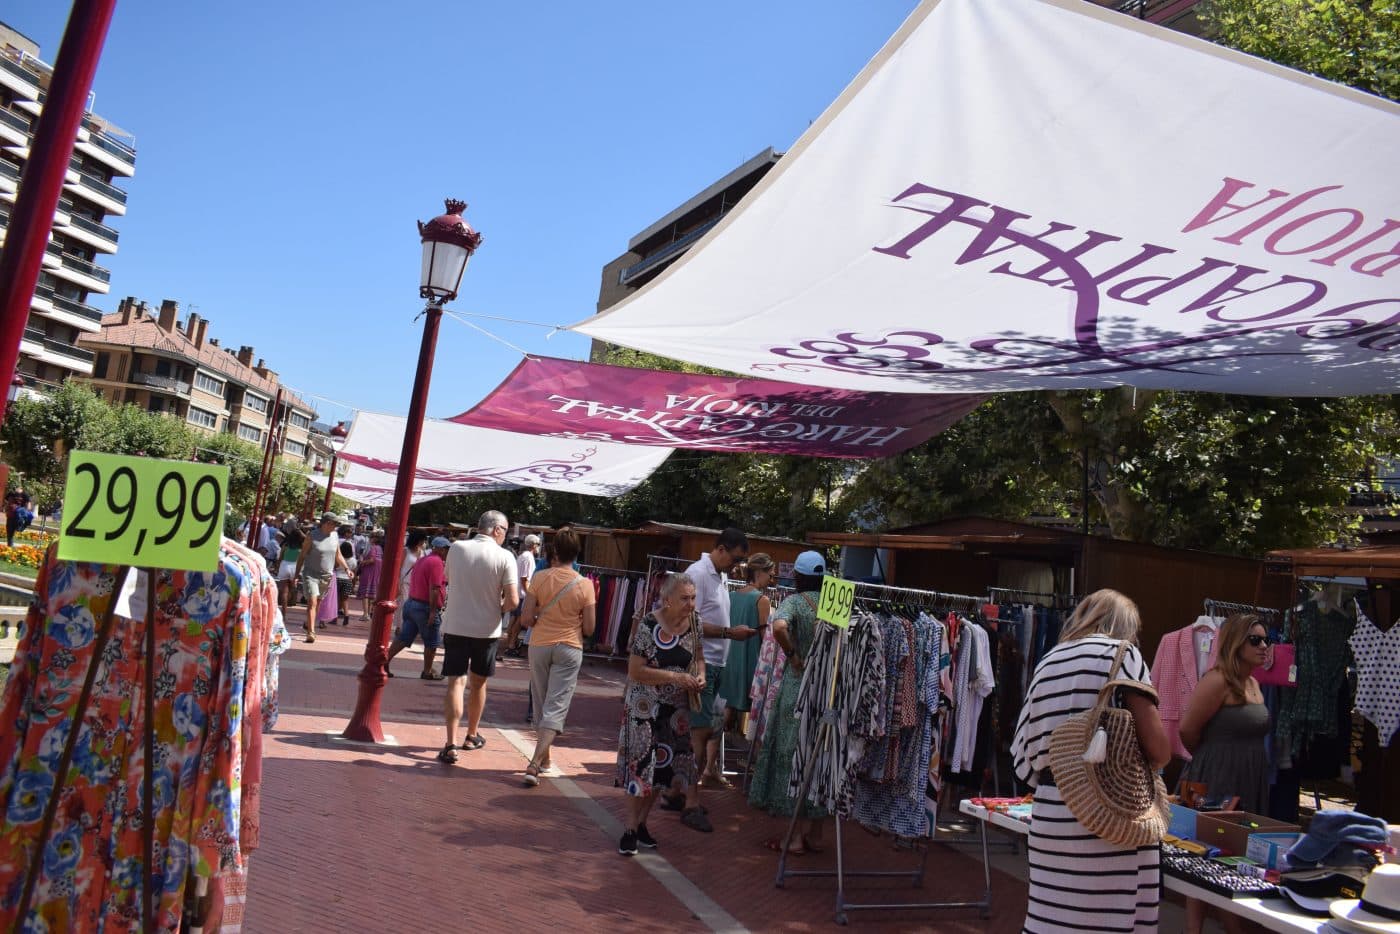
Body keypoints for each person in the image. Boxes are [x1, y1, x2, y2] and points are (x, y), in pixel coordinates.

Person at [1010, 589, 1171, 934]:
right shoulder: (1123, 656)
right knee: (1106, 921)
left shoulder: (1049, 661)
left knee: (1051, 919)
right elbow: (1159, 749)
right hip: (1110, 811)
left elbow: (1023, 758)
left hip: (1052, 813)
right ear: (1126, 626)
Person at [1178, 613, 1272, 934]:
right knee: (1207, 855)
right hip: (1216, 777)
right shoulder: (1217, 680)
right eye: (1255, 640)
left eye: (1266, 639)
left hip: (1248, 778)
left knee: (1236, 856)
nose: (1264, 646)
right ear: (1236, 643)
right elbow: (1188, 730)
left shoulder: (1255, 684)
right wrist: (1213, 758)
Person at [617, 572, 704, 855]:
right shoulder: (649, 624)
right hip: (645, 707)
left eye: (693, 598)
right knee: (639, 766)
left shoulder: (694, 622)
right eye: (684, 599)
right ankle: (630, 827)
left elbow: (699, 658)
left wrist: (700, 676)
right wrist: (674, 677)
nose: (691, 604)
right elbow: (635, 670)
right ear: (667, 601)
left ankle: (642, 824)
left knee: (662, 770)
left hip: (675, 710)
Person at [748, 551, 826, 853]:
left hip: (798, 688)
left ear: (797, 576)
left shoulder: (794, 603)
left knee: (790, 758)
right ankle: (812, 832)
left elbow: (778, 627)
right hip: (826, 691)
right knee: (815, 760)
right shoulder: (836, 603)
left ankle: (792, 837)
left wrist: (793, 655)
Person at [676, 527, 752, 824]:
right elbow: (686, 620)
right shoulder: (697, 573)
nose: (735, 566)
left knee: (702, 729)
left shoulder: (719, 575)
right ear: (720, 549)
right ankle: (690, 800)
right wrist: (728, 633)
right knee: (700, 731)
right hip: (700, 662)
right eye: (734, 559)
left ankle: (677, 792)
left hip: (715, 661)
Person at [436, 511, 519, 765]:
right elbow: (513, 600)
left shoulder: (457, 548)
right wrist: (497, 608)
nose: (505, 535)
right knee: (478, 684)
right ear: (496, 530)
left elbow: (449, 579)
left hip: (456, 626)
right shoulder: (505, 557)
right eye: (505, 530)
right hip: (487, 630)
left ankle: (450, 743)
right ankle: (471, 735)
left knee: (455, 683)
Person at [518, 528, 596, 787]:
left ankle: (543, 758)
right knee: (557, 704)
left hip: (540, 644)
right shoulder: (585, 585)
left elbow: (526, 619)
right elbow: (589, 629)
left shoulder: (539, 578)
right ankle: (535, 762)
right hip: (570, 646)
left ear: (554, 551)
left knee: (541, 702)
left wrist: (542, 613)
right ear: (576, 553)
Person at [715, 553, 774, 767]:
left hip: (731, 659)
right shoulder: (762, 600)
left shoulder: (732, 595)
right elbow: (765, 639)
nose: (772, 578)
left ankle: (711, 762)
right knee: (760, 712)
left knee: (724, 711)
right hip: (751, 660)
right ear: (759, 573)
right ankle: (754, 760)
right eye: (770, 573)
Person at [387, 536, 449, 680]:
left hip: (412, 603)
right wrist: (433, 611)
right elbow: (434, 588)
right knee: (432, 642)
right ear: (439, 549)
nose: (447, 551)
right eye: (446, 549)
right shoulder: (436, 562)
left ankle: (385, 661)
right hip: (425, 606)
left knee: (404, 637)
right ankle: (427, 671)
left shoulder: (423, 559)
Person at [294, 513, 350, 643]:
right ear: (327, 523)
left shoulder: (335, 536)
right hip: (310, 574)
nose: (336, 527)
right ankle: (311, 632)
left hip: (326, 575)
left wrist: (347, 569)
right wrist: (296, 575)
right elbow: (302, 556)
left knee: (318, 602)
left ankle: (308, 623)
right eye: (335, 524)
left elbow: (338, 555)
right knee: (312, 602)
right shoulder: (312, 536)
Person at [504, 534, 541, 658]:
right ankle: (511, 645)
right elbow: (525, 578)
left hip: (519, 592)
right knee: (518, 621)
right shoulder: (527, 557)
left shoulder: (523, 556)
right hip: (522, 594)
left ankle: (510, 643)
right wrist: (531, 595)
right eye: (538, 545)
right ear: (534, 545)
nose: (539, 548)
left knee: (514, 620)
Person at [393, 531, 429, 634]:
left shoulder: (423, 553)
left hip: (417, 583)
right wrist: (397, 584)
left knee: (412, 606)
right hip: (404, 582)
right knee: (404, 604)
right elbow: (398, 568)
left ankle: (407, 627)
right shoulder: (405, 551)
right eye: (421, 540)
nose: (422, 542)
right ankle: (400, 627)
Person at [275, 519, 305, 612]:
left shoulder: (286, 546)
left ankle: (283, 612)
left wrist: (277, 568)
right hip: (295, 567)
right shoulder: (302, 547)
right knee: (292, 589)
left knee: (284, 591)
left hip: (284, 566)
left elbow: (279, 559)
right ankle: (290, 602)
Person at [356, 531, 384, 622]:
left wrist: (361, 562)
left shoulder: (373, 548)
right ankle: (369, 613)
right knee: (372, 594)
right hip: (376, 573)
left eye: (371, 537)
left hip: (368, 572)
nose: (369, 539)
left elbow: (372, 560)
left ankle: (365, 614)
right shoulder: (380, 548)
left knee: (365, 594)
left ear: (373, 539)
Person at [333, 537, 357, 625]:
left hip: (338, 579)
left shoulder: (338, 558)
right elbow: (354, 572)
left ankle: (334, 617)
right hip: (347, 580)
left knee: (336, 599)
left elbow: (334, 567)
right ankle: (346, 616)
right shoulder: (353, 560)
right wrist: (353, 584)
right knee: (345, 599)